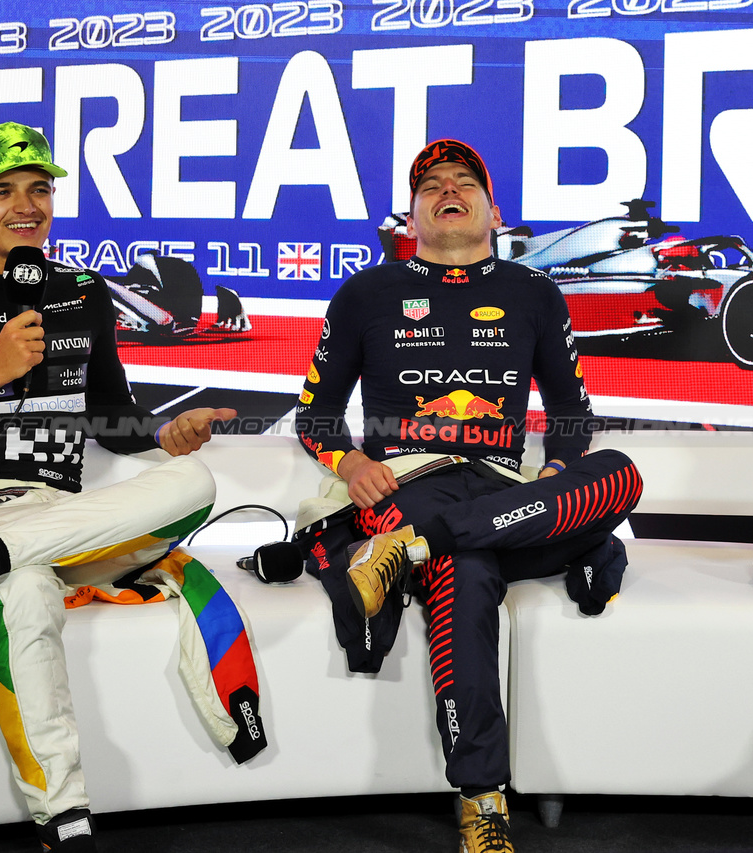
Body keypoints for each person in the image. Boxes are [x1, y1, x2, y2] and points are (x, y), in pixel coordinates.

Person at [0, 122, 266, 852]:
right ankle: (68, 820)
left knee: (196, 481)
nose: (26, 205)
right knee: (24, 591)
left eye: (39, 189)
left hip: (62, 520)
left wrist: (161, 433)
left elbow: (111, 417)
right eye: (3, 191)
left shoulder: (84, 295)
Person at [295, 139, 642, 852]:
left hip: (505, 493)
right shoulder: (365, 292)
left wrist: (555, 473)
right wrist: (351, 460)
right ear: (412, 214)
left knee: (620, 472)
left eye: (463, 181)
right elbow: (315, 414)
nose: (447, 189)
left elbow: (572, 416)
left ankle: (410, 553)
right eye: (430, 185)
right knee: (467, 571)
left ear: (493, 209)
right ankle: (484, 800)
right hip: (407, 481)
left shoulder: (534, 292)